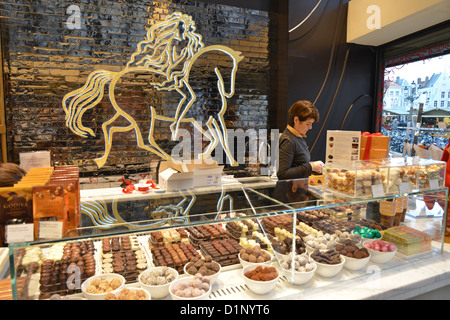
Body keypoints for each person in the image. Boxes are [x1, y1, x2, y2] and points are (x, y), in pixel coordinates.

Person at [277, 100, 324, 180]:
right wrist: (311, 166)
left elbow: (297, 166)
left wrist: (314, 168)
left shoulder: (297, 137)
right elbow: (282, 174)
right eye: (307, 124)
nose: (310, 127)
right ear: (296, 120)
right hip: (289, 190)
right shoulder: (288, 140)